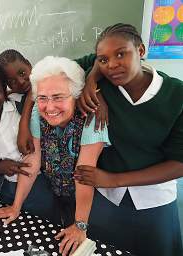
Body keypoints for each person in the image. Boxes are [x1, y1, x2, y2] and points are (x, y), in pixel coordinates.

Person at [73, 23, 183, 256]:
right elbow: (57, 73)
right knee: (102, 249)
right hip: (106, 199)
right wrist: (92, 81)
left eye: (121, 54)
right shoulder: (105, 80)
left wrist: (115, 179)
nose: (112, 65)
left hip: (154, 201)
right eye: (103, 60)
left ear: (141, 51)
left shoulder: (177, 95)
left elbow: (179, 163)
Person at [0, 56, 110, 256]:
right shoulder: (36, 111)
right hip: (56, 192)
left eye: (59, 97)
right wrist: (16, 207)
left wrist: (80, 226)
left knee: (89, 247)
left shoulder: (91, 117)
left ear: (76, 94)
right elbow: (33, 161)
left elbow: (84, 173)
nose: (49, 107)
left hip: (92, 201)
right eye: (42, 98)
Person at [0, 62, 60, 223]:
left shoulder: (20, 104)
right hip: (8, 192)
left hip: (43, 185)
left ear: (5, 89)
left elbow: (41, 83)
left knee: (47, 230)